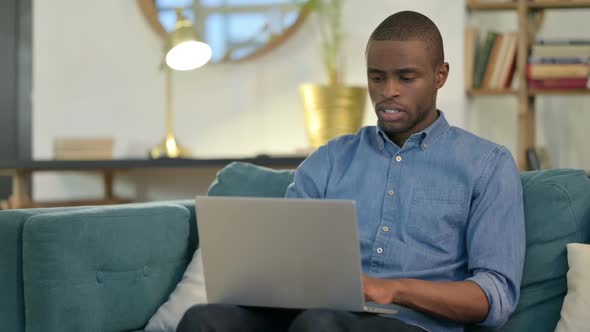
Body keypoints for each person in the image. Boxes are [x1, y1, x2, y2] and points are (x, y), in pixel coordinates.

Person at [177, 10, 525, 332]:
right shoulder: (329, 160)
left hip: (412, 323)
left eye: (406, 78)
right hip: (312, 315)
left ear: (440, 76)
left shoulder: (486, 165)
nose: (389, 92)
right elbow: (285, 259)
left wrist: (391, 290)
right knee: (204, 319)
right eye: (377, 77)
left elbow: (493, 296)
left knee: (321, 324)